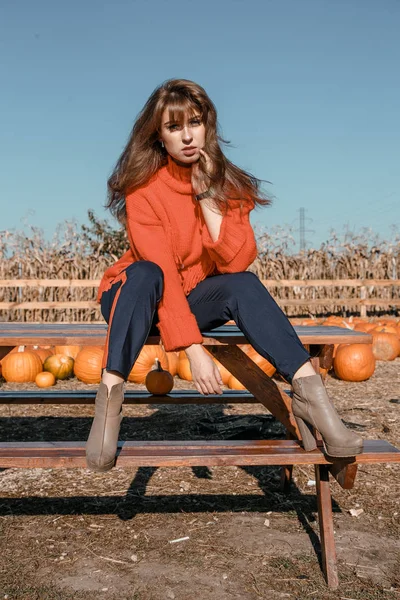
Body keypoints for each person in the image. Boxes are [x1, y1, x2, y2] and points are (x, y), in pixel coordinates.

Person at [85, 78, 363, 472]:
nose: (186, 136)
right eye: (174, 127)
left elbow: (236, 262)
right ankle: (110, 402)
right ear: (159, 136)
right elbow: (162, 271)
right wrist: (193, 350)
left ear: (207, 125)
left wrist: (207, 195)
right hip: (135, 295)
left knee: (244, 286)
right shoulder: (143, 189)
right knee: (147, 273)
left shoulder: (226, 184)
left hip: (192, 295)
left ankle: (313, 401)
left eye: (194, 123)